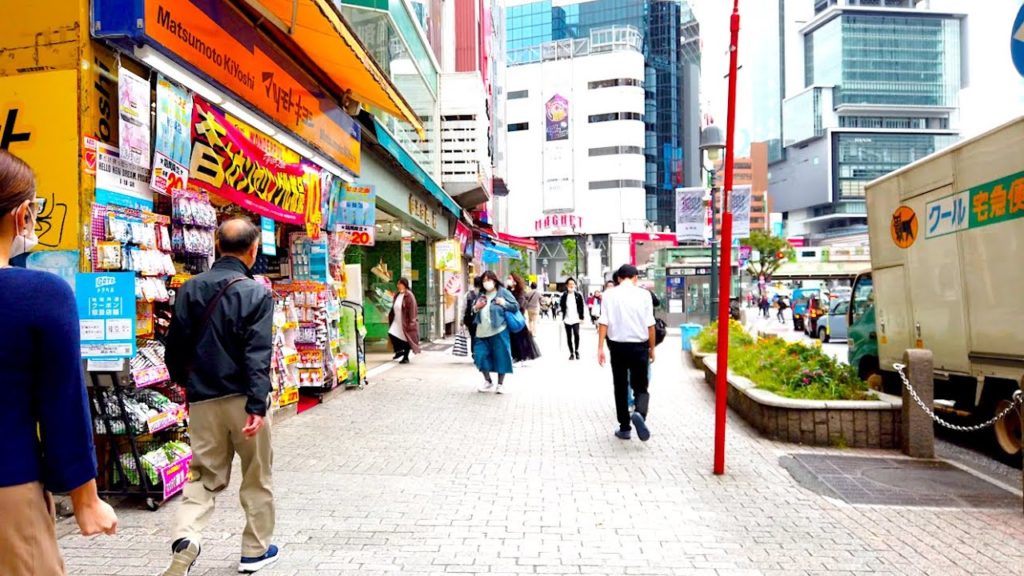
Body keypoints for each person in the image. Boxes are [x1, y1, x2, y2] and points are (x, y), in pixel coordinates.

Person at [0, 150, 118, 576]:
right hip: (8, 488)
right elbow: (62, 402)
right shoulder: (39, 294)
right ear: (23, 214)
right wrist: (85, 499)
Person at [163, 218, 279, 575]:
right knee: (256, 476)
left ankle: (187, 537)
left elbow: (174, 347)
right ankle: (254, 552)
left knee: (203, 476)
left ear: (216, 246)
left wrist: (187, 385)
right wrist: (258, 404)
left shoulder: (189, 289)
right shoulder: (256, 292)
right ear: (252, 250)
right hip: (244, 400)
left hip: (202, 399)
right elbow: (257, 354)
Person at [597, 264, 656, 441]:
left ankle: (624, 427)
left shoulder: (608, 295)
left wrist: (600, 348)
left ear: (618, 278)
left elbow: (603, 322)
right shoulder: (644, 294)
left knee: (621, 387)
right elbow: (650, 325)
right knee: (641, 386)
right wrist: (652, 349)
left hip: (617, 346)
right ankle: (639, 412)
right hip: (639, 345)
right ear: (635, 277)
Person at [472, 271, 519, 393]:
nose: (486, 283)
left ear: (494, 280)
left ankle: (500, 384)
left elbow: (515, 306)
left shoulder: (502, 292)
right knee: (479, 356)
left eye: (488, 280)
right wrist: (476, 307)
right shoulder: (481, 294)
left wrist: (503, 303)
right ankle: (488, 381)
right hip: (481, 331)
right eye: (484, 280)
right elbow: (473, 309)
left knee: (501, 357)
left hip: (499, 330)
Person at [507, 273, 541, 364]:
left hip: (517, 319)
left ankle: (521, 357)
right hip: (509, 319)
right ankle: (516, 357)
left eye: (510, 278)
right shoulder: (507, 291)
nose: (508, 280)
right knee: (513, 339)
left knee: (521, 339)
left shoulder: (520, 291)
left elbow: (520, 304)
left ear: (515, 281)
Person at [388, 277, 421, 364]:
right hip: (397, 320)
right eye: (398, 284)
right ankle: (399, 351)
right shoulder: (397, 295)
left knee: (407, 339)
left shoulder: (409, 295)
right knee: (391, 333)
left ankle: (405, 357)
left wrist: (412, 322)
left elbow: (412, 309)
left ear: (404, 285)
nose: (398, 285)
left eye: (400, 283)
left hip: (405, 321)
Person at [560, 277, 585, 360]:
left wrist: (582, 317)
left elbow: (581, 307)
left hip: (576, 319)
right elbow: (561, 305)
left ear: (575, 285)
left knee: (577, 334)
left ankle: (577, 350)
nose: (571, 285)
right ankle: (571, 353)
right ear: (567, 285)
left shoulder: (578, 295)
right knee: (569, 336)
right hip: (567, 319)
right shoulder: (564, 295)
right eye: (570, 284)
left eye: (573, 284)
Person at [463, 275, 483, 359]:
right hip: (481, 319)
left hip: (470, 320)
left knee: (473, 336)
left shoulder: (468, 294)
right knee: (481, 336)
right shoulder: (484, 294)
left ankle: (474, 352)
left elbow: (463, 307)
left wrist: (461, 319)